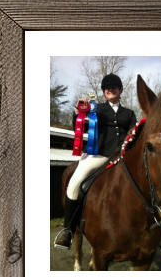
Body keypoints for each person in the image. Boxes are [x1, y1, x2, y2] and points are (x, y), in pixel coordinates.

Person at [54, 73, 137, 249]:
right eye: (107, 87)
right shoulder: (96, 109)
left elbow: (134, 132)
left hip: (123, 155)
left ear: (120, 90)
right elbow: (80, 125)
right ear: (104, 92)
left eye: (114, 86)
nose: (110, 89)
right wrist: (78, 112)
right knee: (74, 183)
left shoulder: (129, 113)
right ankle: (67, 230)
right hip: (98, 154)